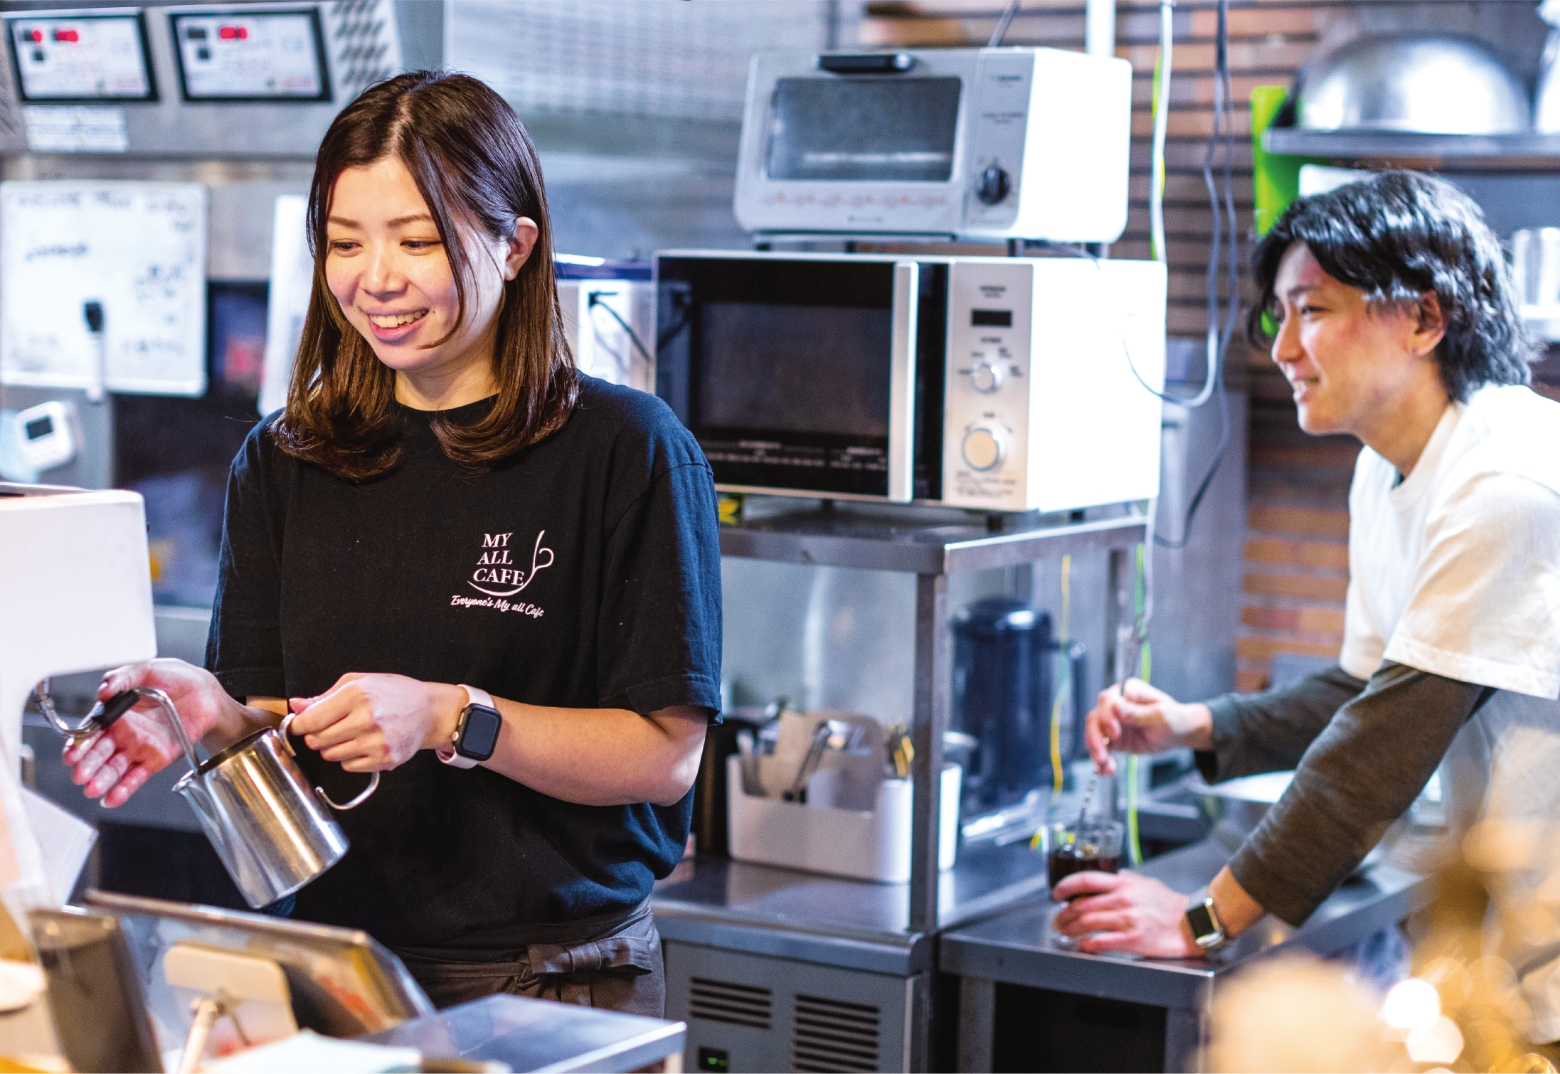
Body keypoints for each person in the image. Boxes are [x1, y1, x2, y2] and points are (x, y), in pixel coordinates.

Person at [60, 71, 721, 1018]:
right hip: (334, 971)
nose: (377, 279)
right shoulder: (285, 459)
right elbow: (278, 724)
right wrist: (208, 713)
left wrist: (454, 716)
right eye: (344, 243)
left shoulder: (625, 449)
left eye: (418, 241)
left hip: (549, 981)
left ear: (516, 244)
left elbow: (664, 755)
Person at [1055, 171, 1560, 1038]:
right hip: (1510, 939)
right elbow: (1363, 688)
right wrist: (1198, 726)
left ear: (1424, 320)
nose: (1283, 347)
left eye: (1313, 311)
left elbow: (1385, 744)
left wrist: (1200, 919)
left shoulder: (1507, 478)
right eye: (1279, 316)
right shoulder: (1388, 467)